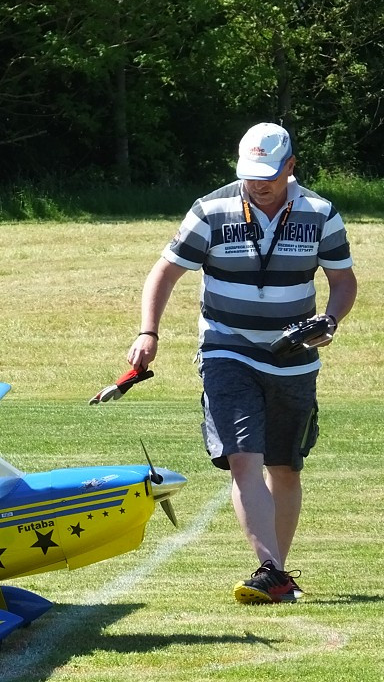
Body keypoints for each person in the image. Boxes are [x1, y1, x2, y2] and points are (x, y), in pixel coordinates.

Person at [125, 123, 357, 604]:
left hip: (295, 358)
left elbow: (343, 281)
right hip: (225, 348)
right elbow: (164, 272)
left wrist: (329, 321)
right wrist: (149, 332)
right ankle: (270, 569)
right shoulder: (211, 210)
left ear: (290, 166)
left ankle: (277, 573)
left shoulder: (320, 213)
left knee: (284, 466)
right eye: (251, 175)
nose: (258, 184)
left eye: (269, 174)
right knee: (242, 458)